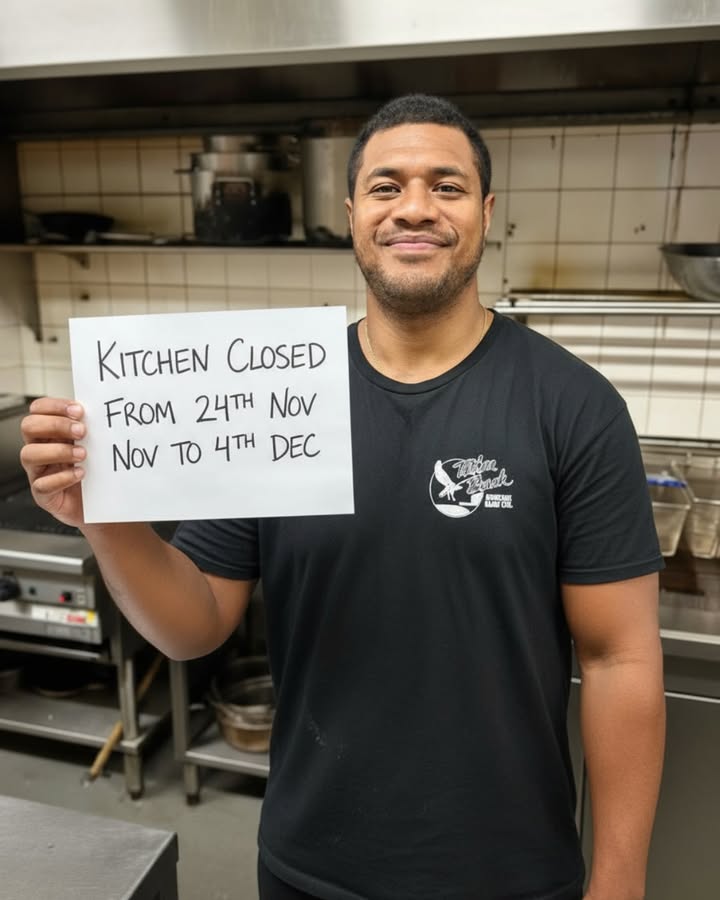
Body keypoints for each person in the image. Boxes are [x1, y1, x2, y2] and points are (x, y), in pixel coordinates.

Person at [21, 94, 665, 900]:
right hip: (311, 867)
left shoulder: (572, 405)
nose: (417, 208)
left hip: (514, 872)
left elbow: (621, 658)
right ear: (353, 210)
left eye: (448, 185)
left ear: (488, 211)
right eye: (388, 186)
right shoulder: (272, 392)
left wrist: (620, 880)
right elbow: (195, 627)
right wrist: (105, 519)